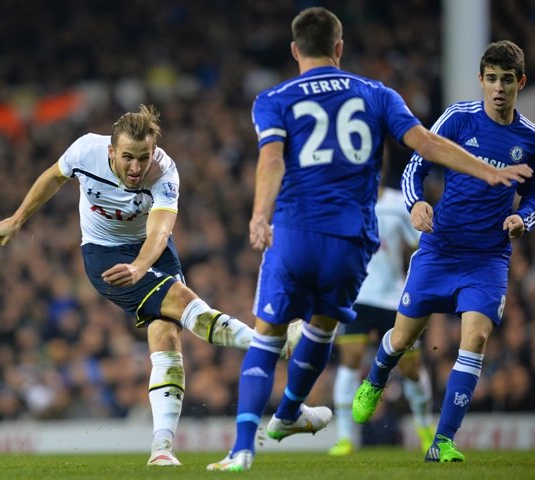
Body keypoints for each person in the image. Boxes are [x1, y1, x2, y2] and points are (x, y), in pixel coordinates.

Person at [207, 9, 531, 472]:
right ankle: (291, 412)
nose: (499, 87)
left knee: (269, 339)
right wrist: (482, 173)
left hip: (298, 231)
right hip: (352, 242)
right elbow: (423, 146)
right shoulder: (376, 93)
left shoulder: (273, 98)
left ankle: (244, 448)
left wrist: (260, 214)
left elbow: (272, 161)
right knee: (330, 333)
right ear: (339, 48)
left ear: (295, 50)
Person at [0, 104, 297, 467]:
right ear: (110, 151)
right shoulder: (85, 149)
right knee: (184, 302)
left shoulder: (165, 170)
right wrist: (17, 218)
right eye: (127, 158)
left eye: (143, 157)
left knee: (167, 337)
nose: (136, 167)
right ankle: (273, 345)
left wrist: (140, 266)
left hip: (151, 251)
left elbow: (161, 230)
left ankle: (162, 449)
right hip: (104, 254)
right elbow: (53, 177)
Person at [352, 40, 535, 463]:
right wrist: (416, 202)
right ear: (481, 80)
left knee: (476, 338)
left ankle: (443, 441)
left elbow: (533, 197)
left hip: (488, 259)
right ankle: (377, 376)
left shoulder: (528, 139)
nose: (499, 88)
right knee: (401, 338)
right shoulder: (458, 118)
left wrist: (523, 219)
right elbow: (417, 165)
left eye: (508, 80)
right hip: (440, 250)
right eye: (492, 79)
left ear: (520, 83)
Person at [329, 184, 434, 456]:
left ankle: (425, 426)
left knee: (411, 368)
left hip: (394, 298)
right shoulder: (343, 202)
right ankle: (345, 437)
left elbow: (419, 243)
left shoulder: (399, 203)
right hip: (358, 295)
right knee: (349, 360)